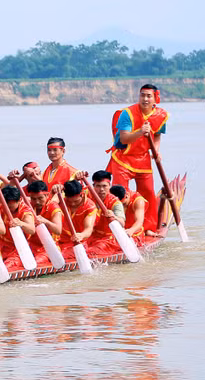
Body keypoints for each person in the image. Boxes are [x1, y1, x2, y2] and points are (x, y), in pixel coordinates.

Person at [106, 84, 169, 234]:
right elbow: (124, 138)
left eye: (149, 96)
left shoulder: (161, 115)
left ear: (155, 99)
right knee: (119, 193)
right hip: (123, 158)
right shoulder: (127, 114)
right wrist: (141, 132)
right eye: (142, 95)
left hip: (143, 158)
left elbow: (158, 135)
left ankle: (147, 228)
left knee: (147, 192)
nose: (145, 99)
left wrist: (156, 151)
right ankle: (119, 227)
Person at [0, 185, 36, 269]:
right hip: (1, 247)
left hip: (18, 249)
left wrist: (21, 223)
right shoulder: (0, 204)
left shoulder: (26, 212)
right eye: (5, 206)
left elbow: (32, 230)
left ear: (19, 200)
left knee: (6, 267)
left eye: (10, 207)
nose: (7, 209)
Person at [26, 180, 63, 264]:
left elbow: (58, 230)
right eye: (33, 199)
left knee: (35, 262)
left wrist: (45, 221)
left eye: (40, 198)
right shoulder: (28, 205)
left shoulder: (53, 207)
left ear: (47, 195)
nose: (37, 202)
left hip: (49, 247)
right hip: (31, 245)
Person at [60, 180, 99, 258]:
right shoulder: (61, 201)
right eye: (70, 201)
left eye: (76, 201)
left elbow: (88, 228)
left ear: (82, 194)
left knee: (59, 256)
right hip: (59, 241)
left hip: (78, 242)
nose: (73, 204)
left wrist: (81, 235)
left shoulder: (89, 206)